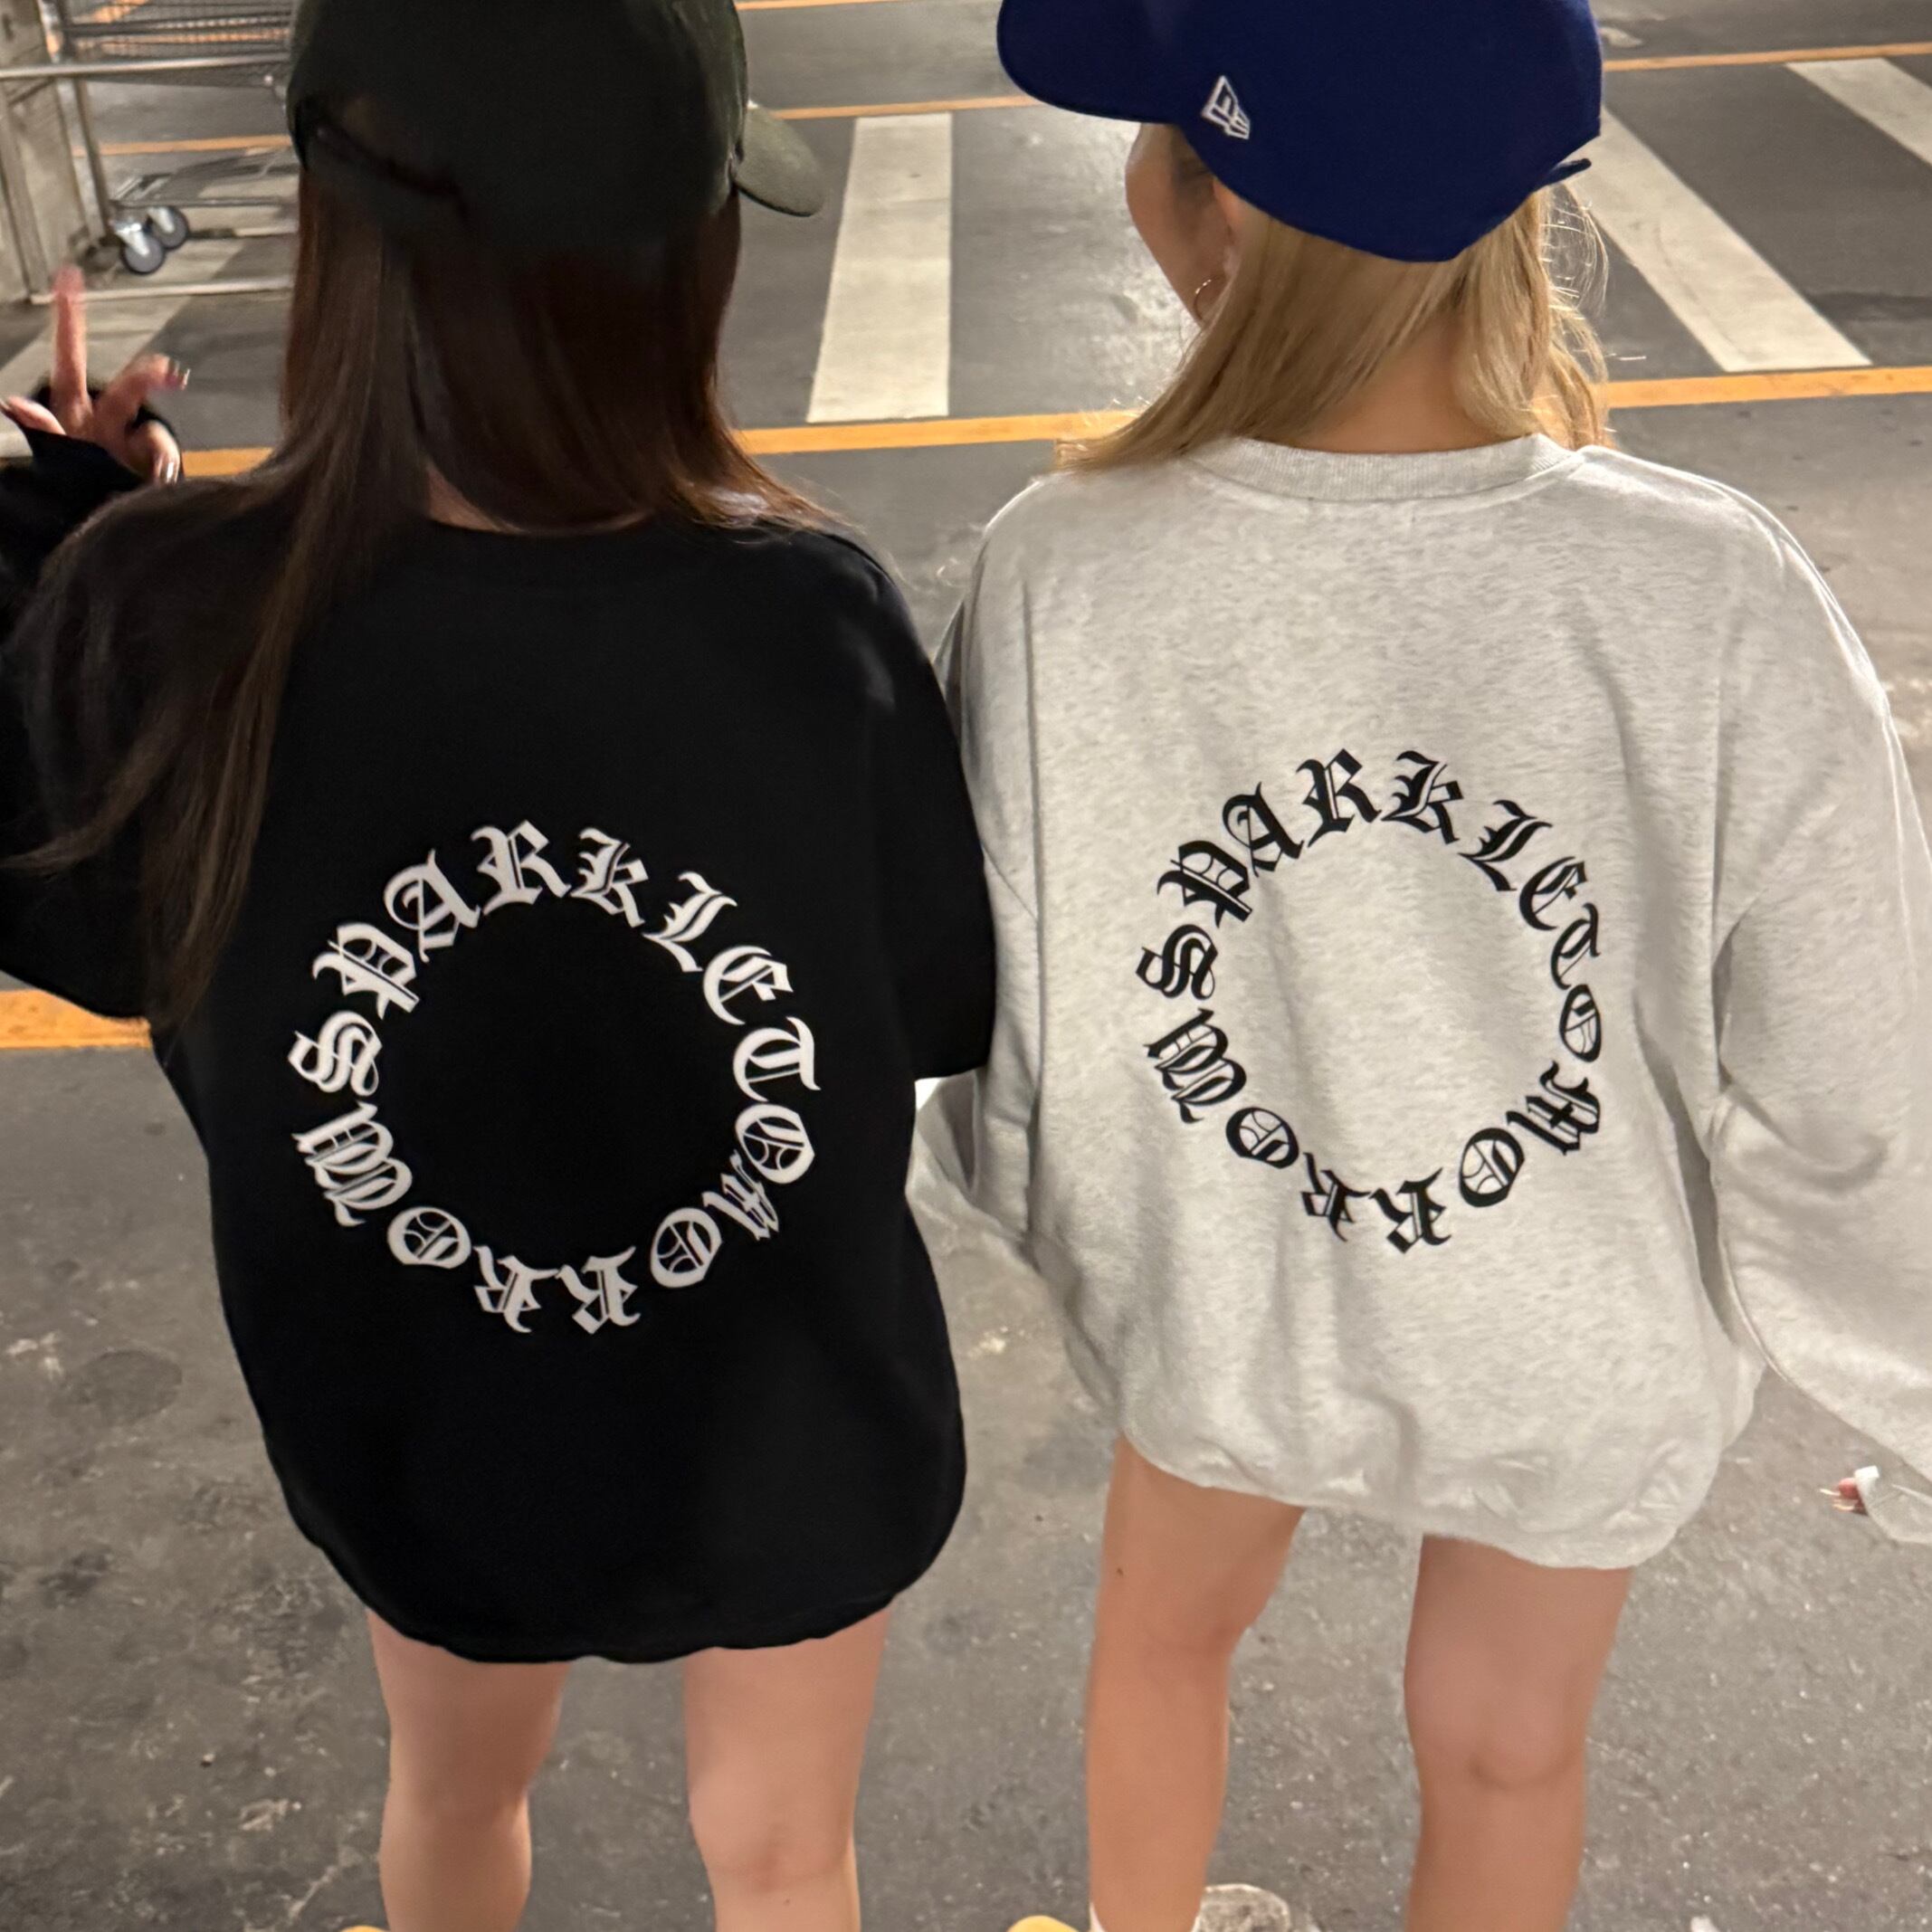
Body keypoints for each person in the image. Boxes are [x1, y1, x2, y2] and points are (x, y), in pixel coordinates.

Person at [917, 3, 1932, 1930]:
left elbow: (1005, 992)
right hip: (1585, 1330)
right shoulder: (1712, 591)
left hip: (1228, 1289)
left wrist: (1047, 1211)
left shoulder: (1066, 565)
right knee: (1505, 1752)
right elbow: (1856, 1066)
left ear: (1211, 208)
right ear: (1531, 208)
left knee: (1161, 1647)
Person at [0, 2, 995, 1929]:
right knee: (784, 1851)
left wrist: (54, 533)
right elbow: (936, 995)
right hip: (782, 1413)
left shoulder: (179, 615)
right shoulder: (806, 623)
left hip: (421, 1420)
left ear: (334, 233)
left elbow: (78, 916)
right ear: (689, 260)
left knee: (455, 1796)